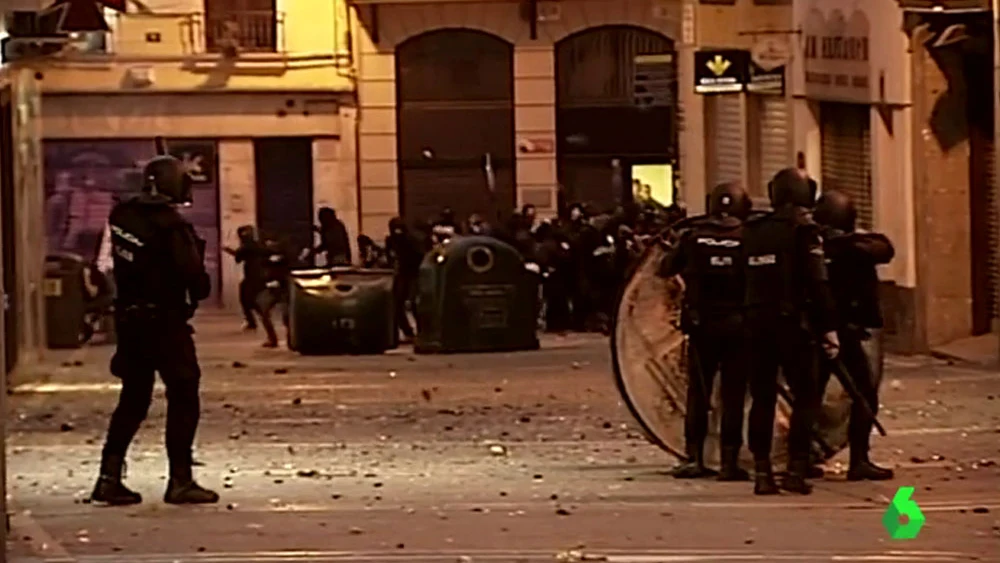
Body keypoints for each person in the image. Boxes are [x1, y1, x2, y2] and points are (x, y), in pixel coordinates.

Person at [90, 154, 218, 506]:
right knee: (184, 394)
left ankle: (108, 476)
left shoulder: (121, 216)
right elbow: (196, 280)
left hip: (130, 323)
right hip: (166, 323)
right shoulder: (171, 226)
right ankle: (180, 479)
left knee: (133, 399)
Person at [742, 168, 839, 495]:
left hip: (755, 324)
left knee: (762, 398)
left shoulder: (752, 231)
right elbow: (818, 282)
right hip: (793, 326)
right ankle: (796, 469)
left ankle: (762, 472)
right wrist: (829, 329)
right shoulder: (804, 231)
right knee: (806, 397)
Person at [659, 182, 752, 481]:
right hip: (739, 326)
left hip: (701, 326)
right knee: (733, 395)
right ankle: (729, 461)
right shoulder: (750, 236)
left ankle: (694, 457)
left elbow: (665, 267)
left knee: (698, 393)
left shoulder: (692, 237)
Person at [813, 190, 895, 481]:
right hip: (843, 332)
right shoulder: (852, 249)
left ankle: (800, 460)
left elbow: (884, 248)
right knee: (863, 394)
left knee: (809, 396)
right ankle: (858, 459)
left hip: (818, 331)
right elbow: (882, 248)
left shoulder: (816, 246)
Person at [385, 217, 422, 341]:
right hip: (402, 273)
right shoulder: (391, 240)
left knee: (413, 303)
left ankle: (422, 330)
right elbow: (390, 256)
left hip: (413, 273)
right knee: (397, 303)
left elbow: (418, 256)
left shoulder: (411, 240)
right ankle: (407, 331)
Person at [223, 225, 266, 331]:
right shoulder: (256, 244)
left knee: (247, 299)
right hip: (257, 275)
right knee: (250, 300)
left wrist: (227, 249)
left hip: (253, 276)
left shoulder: (248, 245)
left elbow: (238, 255)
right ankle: (256, 319)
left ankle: (258, 319)